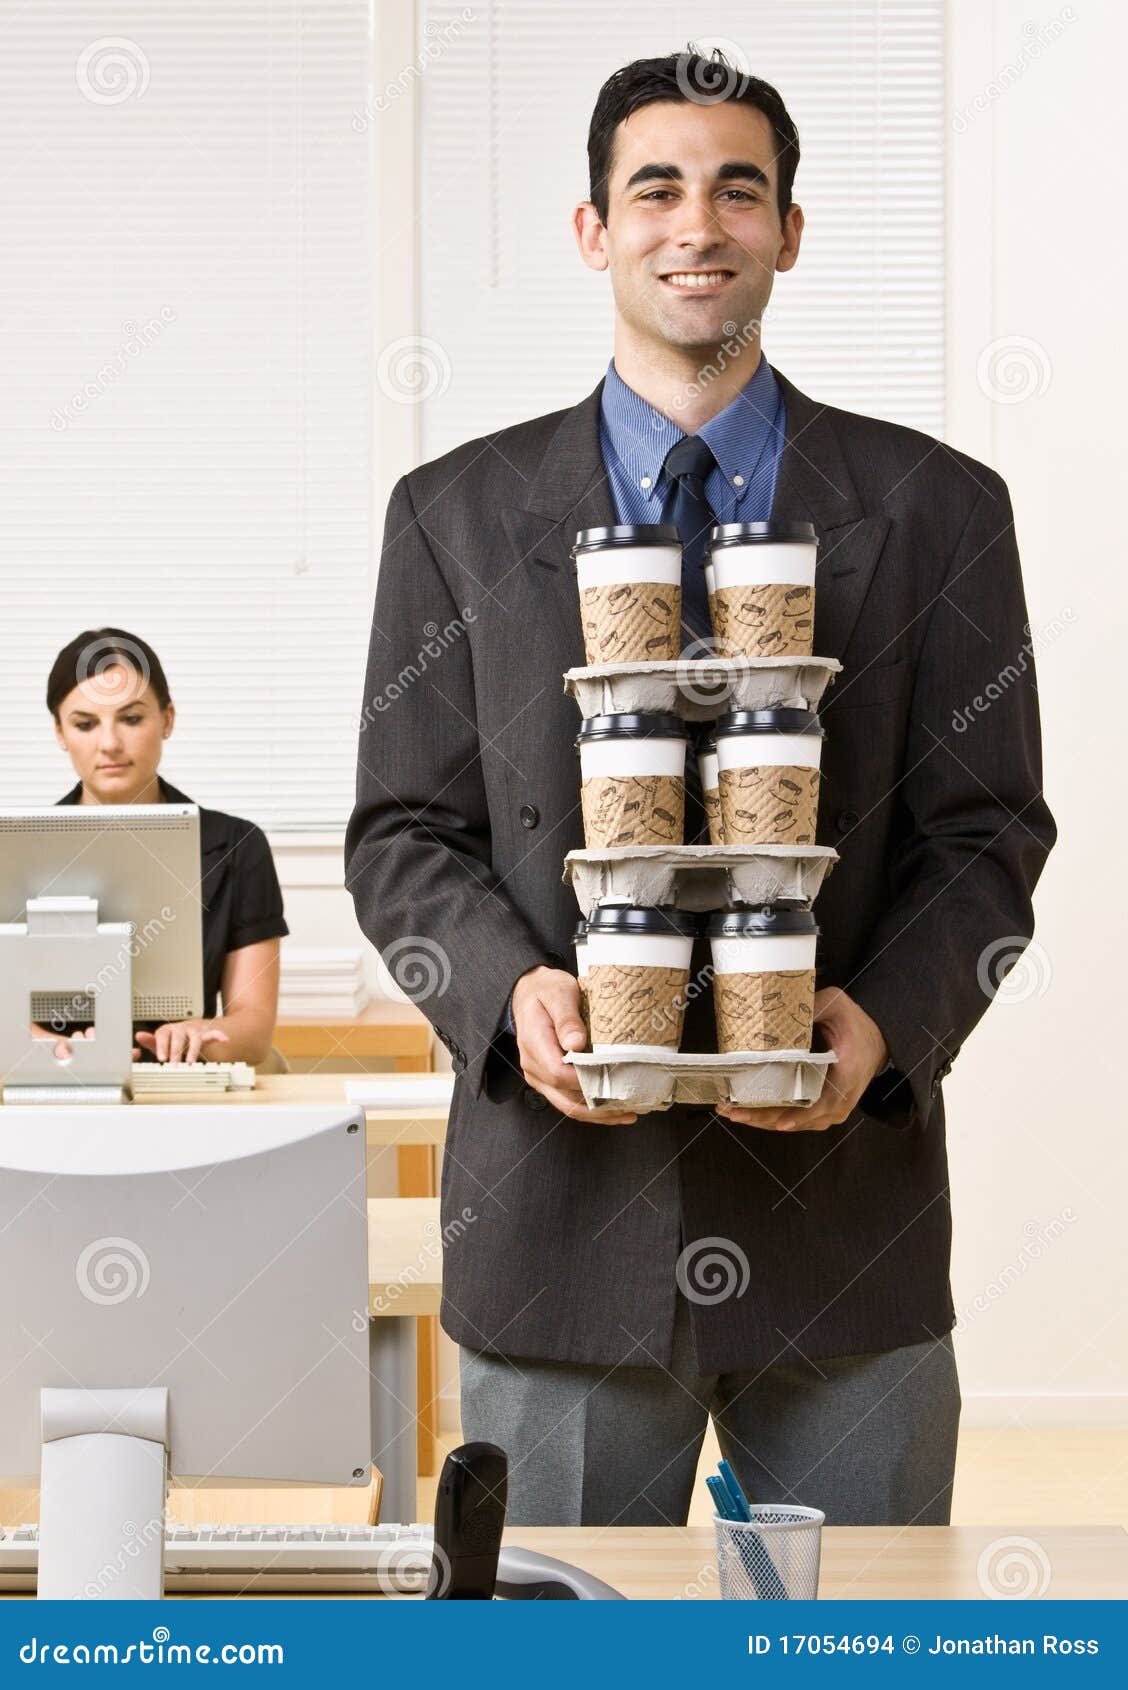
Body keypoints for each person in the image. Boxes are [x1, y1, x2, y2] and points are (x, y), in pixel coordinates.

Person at [345, 50, 1055, 1527]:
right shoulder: (457, 514)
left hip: (841, 1215)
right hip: (560, 1216)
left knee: (864, 1652)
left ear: (791, 229)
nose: (698, 224)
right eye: (655, 187)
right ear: (594, 229)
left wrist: (886, 1023)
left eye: (740, 189)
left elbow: (987, 832)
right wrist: (503, 994)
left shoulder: (937, 507)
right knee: (564, 1651)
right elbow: (403, 830)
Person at [46, 627, 287, 1064]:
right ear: (60, 732)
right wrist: (45, 1047)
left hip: (187, 1082)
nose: (110, 743)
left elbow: (253, 1033)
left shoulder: (238, 847)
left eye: (132, 718)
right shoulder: (17, 849)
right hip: (58, 1086)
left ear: (167, 719)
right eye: (84, 724)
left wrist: (203, 1033)